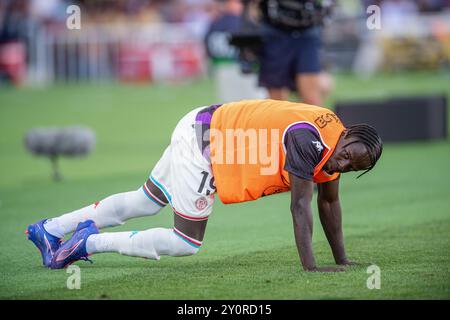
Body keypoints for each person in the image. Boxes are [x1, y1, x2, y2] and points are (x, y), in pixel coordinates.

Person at [26, 99, 383, 272]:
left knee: (145, 201)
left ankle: (50, 229)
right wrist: (312, 267)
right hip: (206, 140)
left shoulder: (334, 146)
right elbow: (301, 205)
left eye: (355, 167)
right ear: (347, 134)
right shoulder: (311, 141)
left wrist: (342, 259)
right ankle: (86, 241)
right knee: (186, 242)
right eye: (349, 155)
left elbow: (329, 203)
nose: (345, 164)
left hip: (204, 122)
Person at [257, 0, 334, 104]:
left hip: (308, 29)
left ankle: (305, 118)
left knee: (312, 98)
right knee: (276, 100)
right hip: (275, 29)